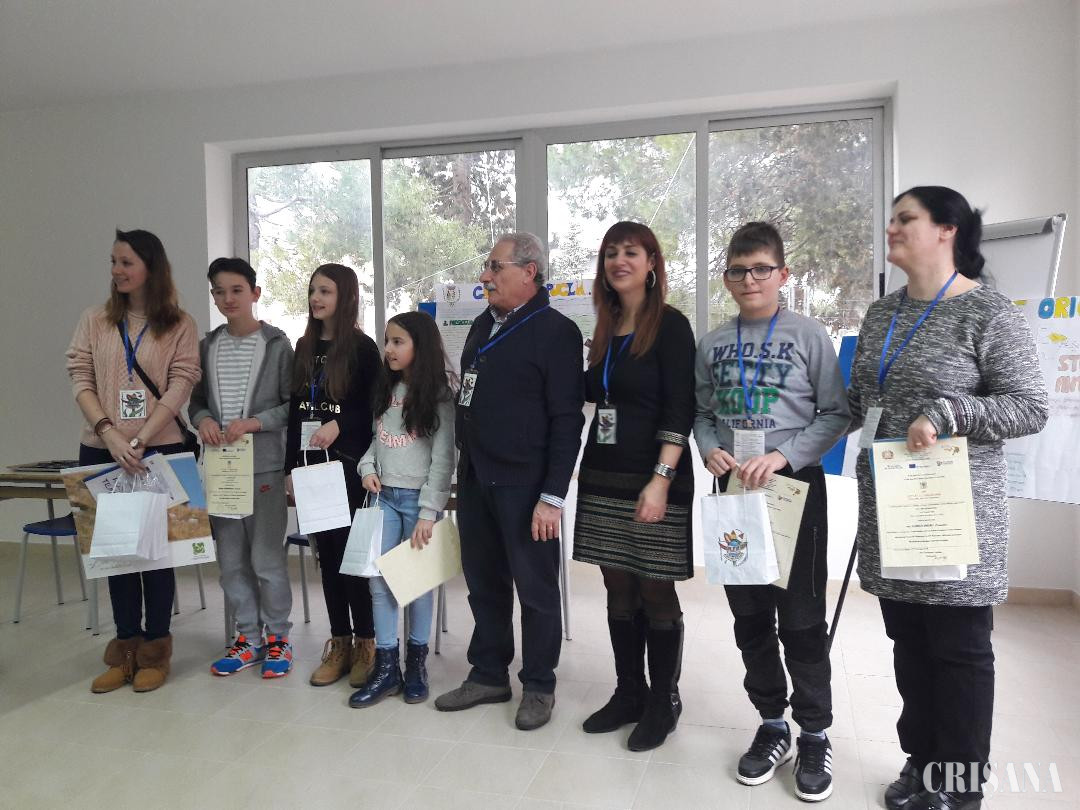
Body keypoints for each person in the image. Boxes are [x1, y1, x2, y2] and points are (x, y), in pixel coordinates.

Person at [848, 187, 1048, 810]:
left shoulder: (987, 313)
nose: (892, 228)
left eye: (906, 218)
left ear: (947, 230)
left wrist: (948, 412)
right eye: (892, 219)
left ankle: (960, 786)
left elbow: (1030, 407)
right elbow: (860, 401)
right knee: (909, 645)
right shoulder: (881, 315)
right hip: (892, 510)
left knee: (959, 653)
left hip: (957, 518)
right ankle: (922, 760)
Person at [694, 222, 850, 801]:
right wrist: (708, 446)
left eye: (761, 268)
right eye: (738, 270)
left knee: (801, 619)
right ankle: (771, 723)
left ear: (783, 274)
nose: (750, 279)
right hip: (733, 489)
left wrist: (785, 456)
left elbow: (838, 413)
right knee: (750, 615)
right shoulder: (712, 343)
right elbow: (702, 412)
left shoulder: (809, 334)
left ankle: (814, 732)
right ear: (727, 278)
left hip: (793, 488)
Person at [434, 232, 584, 731]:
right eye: (487, 266)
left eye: (496, 267)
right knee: (483, 583)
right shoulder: (483, 324)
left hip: (526, 485)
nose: (485, 276)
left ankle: (538, 684)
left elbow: (567, 420)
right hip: (477, 476)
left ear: (529, 272)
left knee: (536, 590)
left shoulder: (556, 332)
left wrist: (552, 497)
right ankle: (488, 674)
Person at [572, 221, 696, 752]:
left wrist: (660, 480)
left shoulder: (670, 325)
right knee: (617, 585)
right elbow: (596, 396)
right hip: (603, 475)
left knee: (654, 588)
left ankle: (663, 701)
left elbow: (680, 407)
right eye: (610, 254)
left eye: (630, 252)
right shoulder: (606, 326)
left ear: (651, 264)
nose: (618, 261)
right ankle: (629, 692)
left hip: (654, 478)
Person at [66, 228, 200, 693]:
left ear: (150, 268)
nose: (117, 270)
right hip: (102, 447)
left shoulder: (179, 324)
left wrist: (140, 439)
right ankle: (125, 647)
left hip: (158, 449)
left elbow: (181, 383)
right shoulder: (94, 319)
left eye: (126, 262)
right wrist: (109, 431)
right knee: (117, 554)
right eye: (113, 262)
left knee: (156, 555)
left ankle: (155, 651)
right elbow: (80, 376)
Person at [188, 257, 295, 678]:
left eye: (236, 290)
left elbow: (291, 406)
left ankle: (279, 638)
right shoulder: (207, 346)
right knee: (231, 562)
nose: (227, 298)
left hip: (264, 468)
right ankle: (248, 638)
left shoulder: (277, 345)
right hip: (221, 471)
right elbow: (196, 403)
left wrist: (254, 422)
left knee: (266, 560)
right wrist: (203, 421)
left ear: (255, 293)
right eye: (219, 291)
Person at [350, 311, 456, 708]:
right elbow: (376, 442)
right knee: (379, 582)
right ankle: (386, 667)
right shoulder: (385, 389)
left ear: (420, 346)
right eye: (387, 341)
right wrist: (366, 468)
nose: (389, 349)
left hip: (417, 503)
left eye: (398, 342)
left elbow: (443, 459)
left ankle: (416, 665)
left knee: (417, 585)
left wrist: (429, 512)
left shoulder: (439, 397)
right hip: (383, 499)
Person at [284, 263, 382, 688]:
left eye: (325, 291)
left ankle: (366, 643)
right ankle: (339, 641)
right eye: (313, 290)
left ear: (346, 297)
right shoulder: (304, 347)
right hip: (312, 468)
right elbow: (296, 411)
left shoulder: (362, 348)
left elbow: (374, 407)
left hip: (347, 467)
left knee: (351, 558)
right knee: (326, 558)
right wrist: (290, 467)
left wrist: (339, 424)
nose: (316, 298)